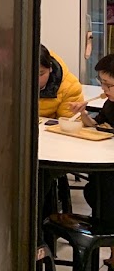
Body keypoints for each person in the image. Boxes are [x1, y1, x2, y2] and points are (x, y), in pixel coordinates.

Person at [70, 54, 114, 265]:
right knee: (97, 189)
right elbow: (97, 126)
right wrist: (83, 114)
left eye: (109, 85)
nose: (104, 90)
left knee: (106, 192)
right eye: (102, 83)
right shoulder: (109, 104)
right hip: (106, 165)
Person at [39, 45, 84, 119]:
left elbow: (69, 122)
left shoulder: (69, 87)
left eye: (41, 74)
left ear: (50, 68)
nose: (34, 79)